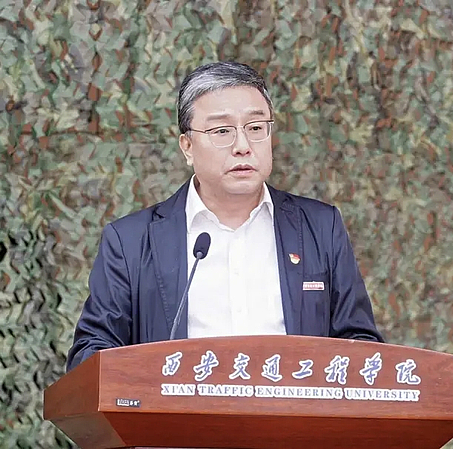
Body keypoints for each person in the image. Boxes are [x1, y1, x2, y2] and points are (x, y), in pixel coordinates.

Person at [66, 61, 383, 372]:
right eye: (222, 131)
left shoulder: (320, 227)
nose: (243, 146)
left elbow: (361, 345)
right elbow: (92, 354)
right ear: (187, 146)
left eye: (255, 128)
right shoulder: (131, 242)